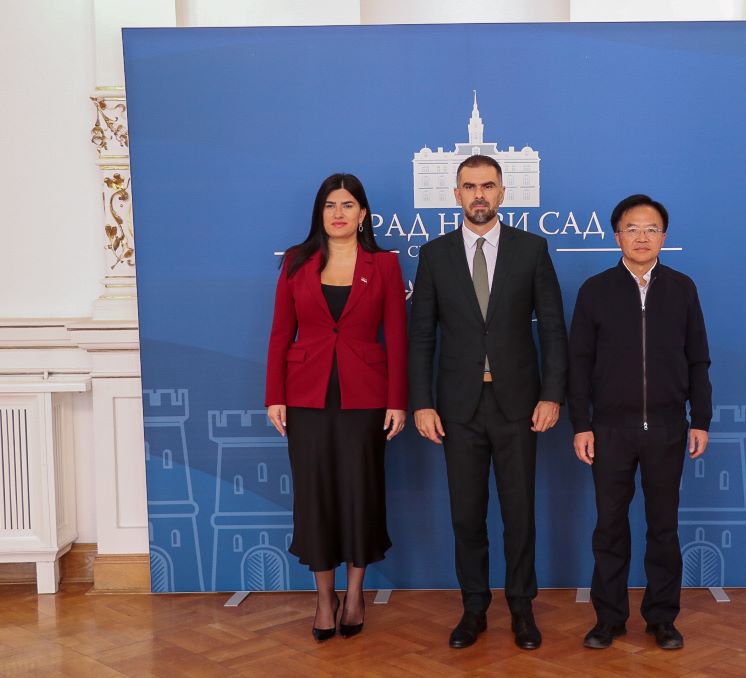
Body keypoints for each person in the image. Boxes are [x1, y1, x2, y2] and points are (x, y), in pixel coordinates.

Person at [408, 155, 568, 650]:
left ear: (502, 192)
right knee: (466, 515)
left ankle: (522, 609)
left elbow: (554, 330)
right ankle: (473, 609)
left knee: (519, 515)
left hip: (518, 405)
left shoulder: (531, 250)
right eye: (470, 186)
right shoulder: (434, 255)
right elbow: (422, 338)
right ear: (456, 194)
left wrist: (551, 395)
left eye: (488, 186)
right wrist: (422, 402)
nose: (479, 194)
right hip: (457, 409)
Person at [265, 173, 408, 641]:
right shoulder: (296, 261)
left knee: (360, 492)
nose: (338, 213)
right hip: (305, 396)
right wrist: (274, 395)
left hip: (365, 396)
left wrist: (398, 401)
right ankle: (324, 598)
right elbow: (280, 332)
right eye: (330, 205)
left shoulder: (384, 264)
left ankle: (354, 595)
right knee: (315, 496)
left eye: (347, 205)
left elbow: (397, 336)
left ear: (363, 213)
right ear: (319, 213)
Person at [567, 194, 711, 651]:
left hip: (668, 428)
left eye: (651, 229)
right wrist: (581, 424)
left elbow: (698, 359)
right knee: (609, 528)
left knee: (663, 528)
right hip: (609, 430)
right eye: (632, 228)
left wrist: (700, 419)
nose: (642, 237)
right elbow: (578, 364)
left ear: (663, 237)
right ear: (617, 236)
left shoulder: (682, 288)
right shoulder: (595, 290)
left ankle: (662, 618)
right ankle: (608, 619)